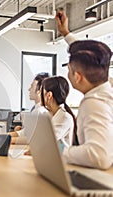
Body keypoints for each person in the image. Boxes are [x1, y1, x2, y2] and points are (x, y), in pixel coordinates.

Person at [56, 10, 113, 170]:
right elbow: (93, 58)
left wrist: (60, 152)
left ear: (78, 77)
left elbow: (99, 156)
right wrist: (66, 34)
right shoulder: (106, 87)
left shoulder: (94, 103)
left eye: (68, 70)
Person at [0, 72, 49, 144]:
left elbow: (31, 139)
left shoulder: (41, 112)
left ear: (39, 92)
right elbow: (22, 133)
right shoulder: (36, 110)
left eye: (32, 86)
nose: (29, 89)